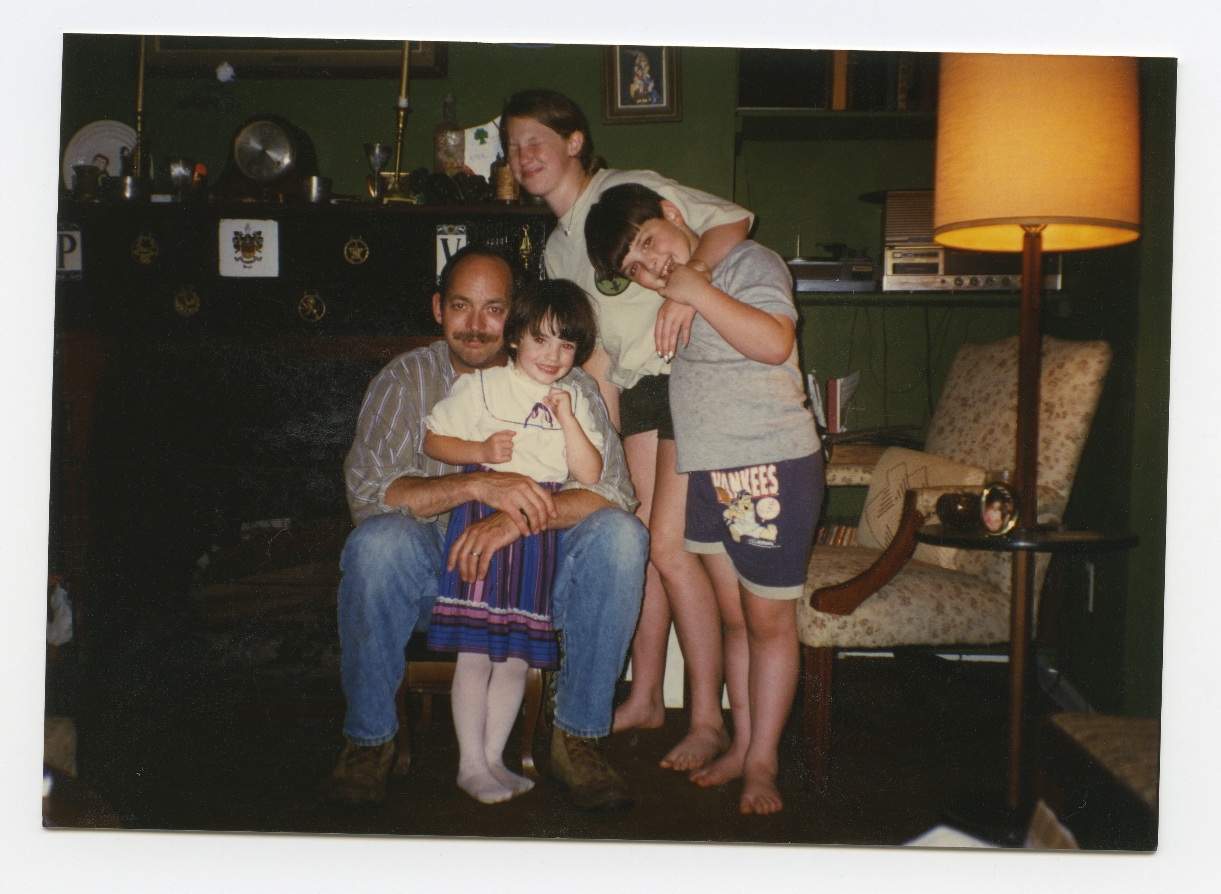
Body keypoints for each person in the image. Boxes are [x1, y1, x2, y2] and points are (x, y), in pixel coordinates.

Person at [329, 244, 648, 812]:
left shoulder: (572, 390)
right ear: (438, 308)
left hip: (538, 570)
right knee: (375, 543)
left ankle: (577, 739)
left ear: (516, 315)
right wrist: (476, 485)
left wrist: (516, 520)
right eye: (460, 306)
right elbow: (371, 493)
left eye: (494, 309)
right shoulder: (406, 379)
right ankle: (369, 740)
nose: (476, 325)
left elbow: (613, 492)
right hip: (438, 570)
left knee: (623, 536)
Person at [501, 89, 754, 774]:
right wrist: (599, 449)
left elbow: (733, 220)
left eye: (535, 141)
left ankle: (707, 720)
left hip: (686, 376)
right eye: (513, 146)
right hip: (636, 391)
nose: (523, 157)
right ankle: (644, 698)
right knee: (636, 541)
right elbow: (599, 358)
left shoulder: (625, 192)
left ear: (574, 142)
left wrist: (690, 281)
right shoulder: (558, 247)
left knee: (670, 550)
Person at [585, 183, 822, 815]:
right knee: (735, 619)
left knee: (768, 622)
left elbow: (774, 343)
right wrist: (685, 291)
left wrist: (696, 290)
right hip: (711, 477)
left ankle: (764, 762)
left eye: (647, 242)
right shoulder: (679, 294)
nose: (649, 266)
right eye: (634, 267)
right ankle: (742, 745)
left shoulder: (748, 263)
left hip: (769, 468)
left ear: (673, 214)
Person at [421, 280, 602, 804]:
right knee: (477, 652)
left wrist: (566, 417)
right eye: (541, 339)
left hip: (535, 528)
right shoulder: (483, 385)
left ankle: (494, 759)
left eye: (566, 344)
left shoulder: (574, 398)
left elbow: (590, 474)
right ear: (516, 336)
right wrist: (479, 449)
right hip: (485, 516)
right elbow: (433, 439)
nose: (553, 354)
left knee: (518, 656)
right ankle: (469, 765)